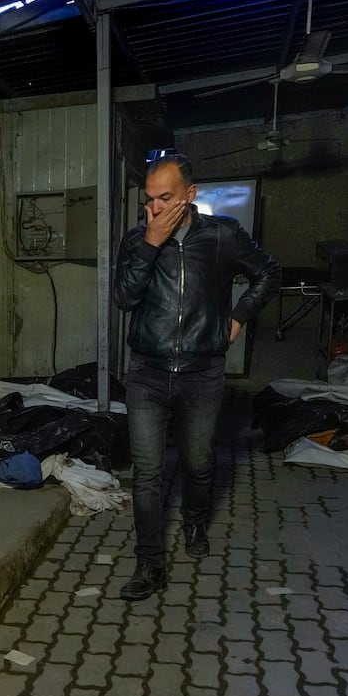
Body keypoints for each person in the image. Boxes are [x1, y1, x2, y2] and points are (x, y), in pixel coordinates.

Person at [112, 153, 282, 600]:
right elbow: (125, 299)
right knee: (147, 474)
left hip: (202, 374)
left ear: (190, 195)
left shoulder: (223, 235)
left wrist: (239, 316)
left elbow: (269, 272)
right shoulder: (136, 239)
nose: (155, 208)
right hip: (147, 374)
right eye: (149, 200)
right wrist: (150, 242)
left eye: (165, 198)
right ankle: (149, 565)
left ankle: (193, 522)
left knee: (198, 463)